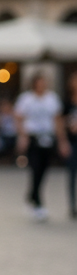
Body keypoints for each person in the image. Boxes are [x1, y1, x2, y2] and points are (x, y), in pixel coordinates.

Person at [14, 73, 70, 221]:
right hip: (33, 137)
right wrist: (22, 136)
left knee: (44, 168)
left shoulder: (52, 98)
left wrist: (62, 141)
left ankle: (32, 194)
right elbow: (18, 118)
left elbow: (57, 120)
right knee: (35, 167)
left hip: (48, 137)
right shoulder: (26, 99)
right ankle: (38, 201)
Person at [66, 72, 77, 219]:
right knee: (72, 174)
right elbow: (60, 120)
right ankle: (72, 205)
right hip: (72, 142)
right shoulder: (67, 103)